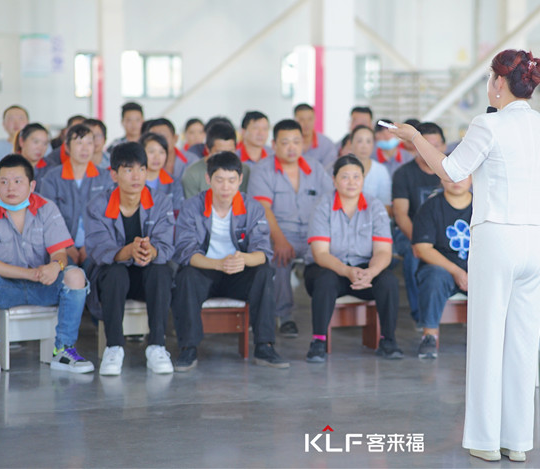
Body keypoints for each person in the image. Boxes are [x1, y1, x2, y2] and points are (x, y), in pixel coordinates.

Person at [389, 49, 540, 463]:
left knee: (486, 338)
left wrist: (415, 138)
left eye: (489, 78)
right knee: (522, 343)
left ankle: (484, 439)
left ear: (499, 82)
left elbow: (452, 171)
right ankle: (517, 441)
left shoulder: (488, 123)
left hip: (497, 236)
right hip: (536, 238)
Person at [0, 154, 94, 380]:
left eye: (18, 181)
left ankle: (64, 351)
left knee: (75, 276)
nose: (10, 188)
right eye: (4, 181)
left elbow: (60, 253)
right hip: (5, 290)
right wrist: (29, 273)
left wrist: (55, 266)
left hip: (43, 286)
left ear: (31, 185)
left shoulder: (47, 208)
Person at [171, 151, 288, 370]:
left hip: (238, 272)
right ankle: (188, 348)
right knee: (185, 276)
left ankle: (264, 346)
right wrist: (218, 264)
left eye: (232, 180)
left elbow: (263, 252)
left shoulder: (253, 208)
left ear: (240, 180)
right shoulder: (192, 207)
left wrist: (243, 259)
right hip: (205, 271)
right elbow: (186, 252)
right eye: (219, 180)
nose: (226, 187)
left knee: (263, 272)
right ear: (208, 179)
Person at [84, 142, 175, 376]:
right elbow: (98, 249)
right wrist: (128, 251)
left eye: (141, 169)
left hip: (147, 276)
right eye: (128, 170)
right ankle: (114, 347)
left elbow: (167, 245)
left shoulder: (161, 202)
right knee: (115, 272)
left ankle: (157, 346)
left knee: (161, 270)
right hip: (113, 279)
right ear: (114, 174)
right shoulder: (98, 206)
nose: (136, 176)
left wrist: (151, 251)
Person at [303, 155, 402, 362]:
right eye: (345, 177)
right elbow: (320, 254)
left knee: (389, 281)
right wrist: (347, 271)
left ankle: (388, 341)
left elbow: (383, 252)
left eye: (356, 177)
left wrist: (371, 273)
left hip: (364, 271)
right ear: (334, 180)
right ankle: (318, 342)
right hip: (330, 268)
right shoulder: (322, 206)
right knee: (325, 280)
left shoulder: (375, 207)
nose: (351, 182)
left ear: (363, 179)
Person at [247, 119, 333, 337]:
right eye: (285, 143)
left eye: (296, 141)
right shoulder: (262, 170)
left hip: (313, 233)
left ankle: (326, 315)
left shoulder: (314, 167)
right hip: (280, 232)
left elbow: (330, 201)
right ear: (274, 145)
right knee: (279, 259)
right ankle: (284, 316)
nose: (292, 147)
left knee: (332, 259)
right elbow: (263, 209)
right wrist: (279, 240)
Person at [412, 174, 473, 358]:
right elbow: (422, 249)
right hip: (442, 268)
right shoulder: (430, 207)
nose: (456, 181)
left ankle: (490, 338)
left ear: (472, 178)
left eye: (462, 176)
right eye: (450, 176)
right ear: (441, 178)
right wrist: (456, 271)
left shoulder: (484, 206)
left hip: (476, 269)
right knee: (434, 277)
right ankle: (429, 336)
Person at [392, 122, 446, 327]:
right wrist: (419, 242)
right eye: (426, 144)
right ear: (416, 146)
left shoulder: (451, 172)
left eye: (436, 145)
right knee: (413, 255)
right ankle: (421, 316)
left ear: (443, 146)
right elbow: (400, 214)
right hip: (411, 233)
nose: (431, 150)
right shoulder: (403, 174)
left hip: (447, 234)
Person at [39, 124, 114, 266]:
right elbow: (47, 217)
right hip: (59, 246)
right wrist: (65, 245)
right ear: (67, 147)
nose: (85, 148)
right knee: (67, 272)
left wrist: (91, 244)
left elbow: (109, 216)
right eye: (79, 143)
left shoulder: (105, 178)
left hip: (96, 245)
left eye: (89, 143)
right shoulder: (52, 178)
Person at [182, 122, 249, 199]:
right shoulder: (192, 174)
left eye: (230, 152)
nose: (225, 157)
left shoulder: (244, 170)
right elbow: (193, 205)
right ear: (207, 149)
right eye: (219, 152)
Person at [350, 125, 392, 210]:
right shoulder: (342, 168)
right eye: (359, 141)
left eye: (368, 141)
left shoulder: (381, 171)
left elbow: (385, 205)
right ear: (351, 143)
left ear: (373, 145)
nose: (364, 146)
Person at [141, 132, 185, 213]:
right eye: (151, 152)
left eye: (161, 152)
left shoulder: (174, 183)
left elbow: (177, 213)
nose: (157, 157)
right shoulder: (133, 180)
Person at [0, 105, 29, 171]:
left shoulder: (38, 145)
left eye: (21, 118)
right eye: (11, 119)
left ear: (28, 123)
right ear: (4, 124)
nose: (16, 123)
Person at [295, 103, 336, 169]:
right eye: (302, 120)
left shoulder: (326, 144)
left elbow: (329, 170)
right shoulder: (288, 144)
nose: (306, 124)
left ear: (315, 119)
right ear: (295, 121)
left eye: (310, 119)